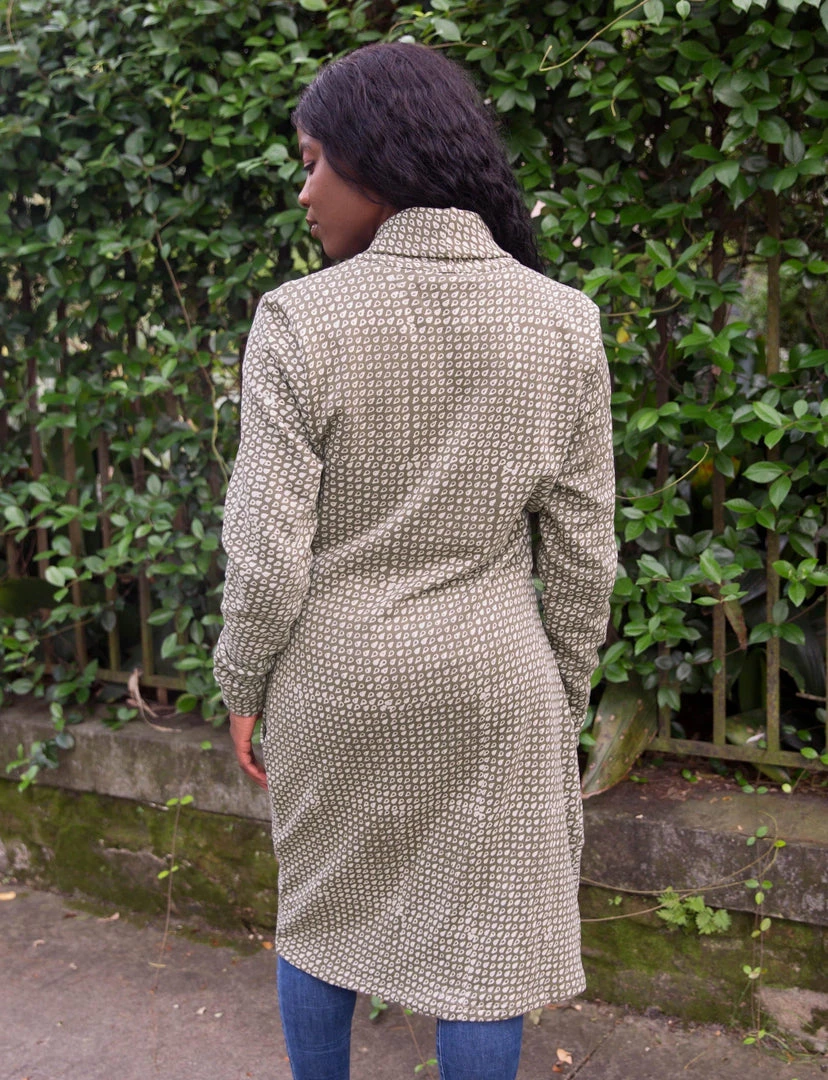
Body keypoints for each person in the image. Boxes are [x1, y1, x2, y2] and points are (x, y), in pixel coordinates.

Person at [213, 41, 616, 1080]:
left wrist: (242, 682)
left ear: (374, 157)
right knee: (488, 949)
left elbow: (266, 552)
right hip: (496, 682)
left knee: (322, 919)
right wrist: (562, 693)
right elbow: (584, 553)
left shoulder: (300, 319)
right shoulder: (564, 322)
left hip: (334, 678)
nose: (304, 193)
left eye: (313, 162)